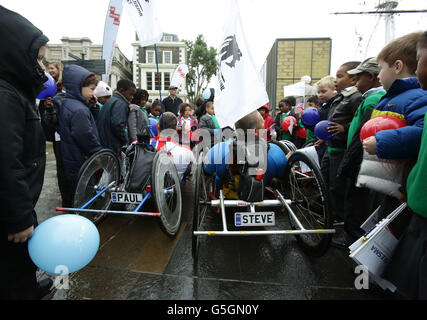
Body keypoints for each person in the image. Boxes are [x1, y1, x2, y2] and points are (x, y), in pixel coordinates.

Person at [0, 5, 53, 299]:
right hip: (11, 212)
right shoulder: (5, 95)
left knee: (20, 264)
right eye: (38, 59)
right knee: (12, 270)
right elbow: (6, 161)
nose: (42, 68)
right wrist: (19, 217)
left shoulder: (14, 92)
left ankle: (29, 285)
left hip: (18, 202)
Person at [378, 31, 427, 300]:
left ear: (398, 66)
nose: (378, 76)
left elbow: (418, 137)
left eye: (380, 69)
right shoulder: (390, 98)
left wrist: (382, 141)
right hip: (401, 188)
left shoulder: (415, 99)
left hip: (407, 195)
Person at [331, 57, 386, 248]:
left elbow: (360, 135)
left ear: (371, 77)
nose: (356, 82)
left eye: (359, 78)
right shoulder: (366, 98)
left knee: (355, 200)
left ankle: (353, 238)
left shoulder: (372, 100)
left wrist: (348, 162)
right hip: (358, 156)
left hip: (359, 158)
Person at [318, 61, 362, 224]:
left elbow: (359, 122)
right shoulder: (341, 98)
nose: (336, 80)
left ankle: (341, 218)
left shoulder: (356, 98)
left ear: (353, 79)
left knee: (339, 186)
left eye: (340, 76)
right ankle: (332, 213)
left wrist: (344, 128)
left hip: (342, 149)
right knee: (327, 182)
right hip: (331, 147)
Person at [58, 65, 102, 197]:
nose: (93, 93)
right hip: (80, 161)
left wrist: (92, 107)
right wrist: (98, 152)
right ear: (78, 86)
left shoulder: (68, 103)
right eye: (91, 89)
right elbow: (84, 134)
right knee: (83, 195)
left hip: (70, 159)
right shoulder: (79, 110)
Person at [150, 112, 195, 181]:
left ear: (157, 126)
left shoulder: (139, 144)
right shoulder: (187, 151)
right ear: (175, 129)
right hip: (174, 186)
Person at [97, 79, 136, 155]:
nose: (132, 97)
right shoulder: (120, 104)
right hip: (111, 144)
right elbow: (118, 124)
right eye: (131, 94)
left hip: (104, 142)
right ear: (122, 91)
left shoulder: (112, 101)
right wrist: (124, 140)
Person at [313, 76, 337, 162]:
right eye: (318, 92)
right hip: (321, 143)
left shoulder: (334, 106)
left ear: (334, 90)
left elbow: (332, 124)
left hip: (328, 144)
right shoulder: (323, 107)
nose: (320, 95)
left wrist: (324, 138)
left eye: (323, 91)